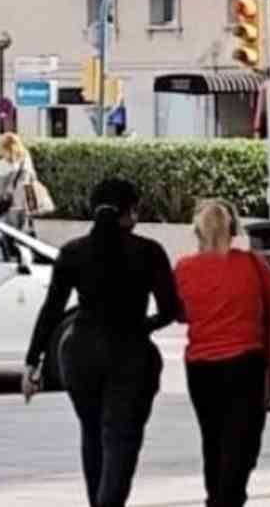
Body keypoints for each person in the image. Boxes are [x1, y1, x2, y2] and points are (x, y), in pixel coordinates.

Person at [24, 177, 180, 507]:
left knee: (92, 432)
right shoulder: (148, 252)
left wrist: (32, 361)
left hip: (80, 353)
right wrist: (144, 327)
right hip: (130, 353)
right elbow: (170, 310)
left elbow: (51, 310)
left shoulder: (73, 252)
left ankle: (97, 501)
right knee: (122, 438)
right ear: (130, 214)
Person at [175, 198, 270, 507]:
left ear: (197, 232)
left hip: (200, 367)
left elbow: (181, 313)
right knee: (244, 441)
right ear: (234, 229)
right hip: (246, 363)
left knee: (213, 438)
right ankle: (228, 499)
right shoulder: (252, 264)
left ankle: (217, 497)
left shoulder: (184, 269)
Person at [0, 132, 40, 230]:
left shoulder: (3, 164)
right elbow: (33, 179)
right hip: (27, 206)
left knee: (10, 236)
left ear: (5, 148)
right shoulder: (26, 159)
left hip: (12, 207)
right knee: (25, 236)